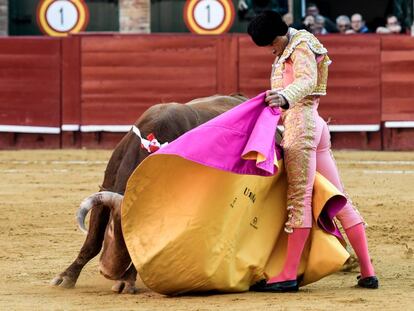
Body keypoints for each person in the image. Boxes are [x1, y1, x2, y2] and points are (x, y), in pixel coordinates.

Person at [247, 10, 379, 292]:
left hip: (301, 125)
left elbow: (306, 80)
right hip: (314, 124)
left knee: (298, 198)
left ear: (279, 36)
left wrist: (283, 97)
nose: (270, 50)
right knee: (339, 199)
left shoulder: (300, 44)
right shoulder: (293, 46)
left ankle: (288, 274)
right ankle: (368, 271)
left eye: (271, 44)